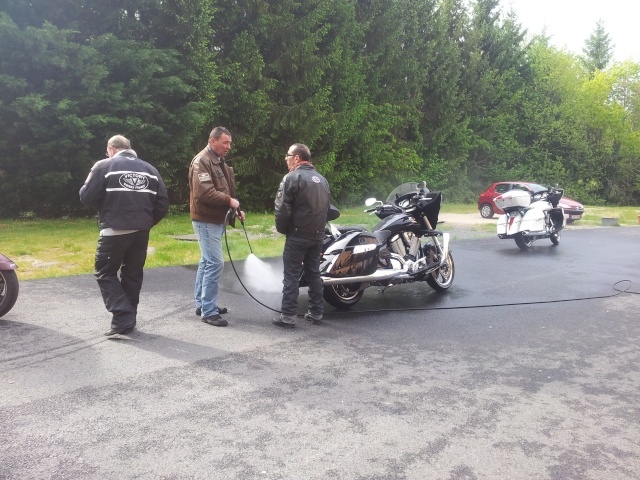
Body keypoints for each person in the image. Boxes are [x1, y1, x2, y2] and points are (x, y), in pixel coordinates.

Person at [79, 135, 169, 336]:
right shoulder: (150, 169)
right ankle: (127, 321)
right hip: (141, 232)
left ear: (111, 148)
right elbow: (163, 204)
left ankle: (123, 315)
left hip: (114, 230)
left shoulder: (104, 166)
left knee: (104, 272)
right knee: (133, 274)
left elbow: (86, 197)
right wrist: (146, 222)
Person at [189, 126, 245, 327]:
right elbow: (204, 193)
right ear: (213, 141)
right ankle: (208, 311)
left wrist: (235, 208)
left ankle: (202, 304)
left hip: (215, 220)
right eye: (225, 142)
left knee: (207, 262)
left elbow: (223, 190)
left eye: (229, 142)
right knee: (215, 263)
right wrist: (230, 201)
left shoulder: (218, 161)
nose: (229, 146)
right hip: (205, 220)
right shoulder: (202, 161)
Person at [273, 143, 330, 328]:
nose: (286, 158)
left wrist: (283, 229)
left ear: (297, 158)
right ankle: (316, 313)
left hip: (297, 235)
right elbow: (328, 209)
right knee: (314, 274)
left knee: (291, 275)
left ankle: (288, 316)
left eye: (288, 155)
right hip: (318, 235)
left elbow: (282, 208)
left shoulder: (292, 177)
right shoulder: (322, 180)